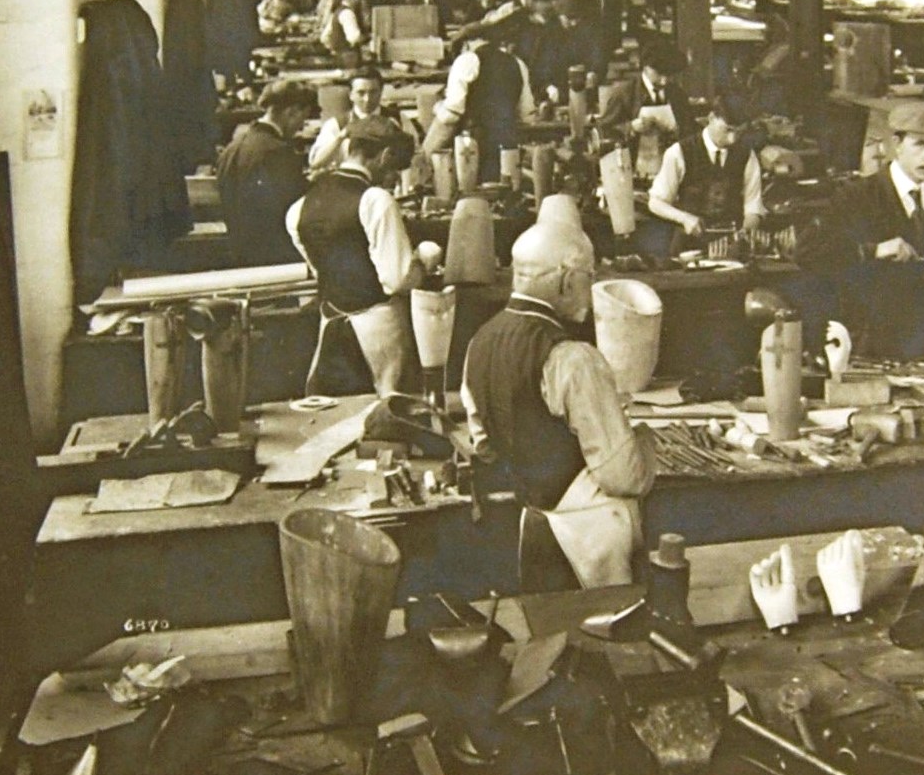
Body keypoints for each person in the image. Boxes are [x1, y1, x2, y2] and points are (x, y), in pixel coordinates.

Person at [460, 214, 655, 592]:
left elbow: (483, 445)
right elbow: (624, 477)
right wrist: (647, 444)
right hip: (592, 533)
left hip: (534, 522)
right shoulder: (572, 357)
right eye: (589, 276)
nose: (591, 286)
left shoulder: (478, 343)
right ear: (567, 280)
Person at [792, 100, 924, 360]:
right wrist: (875, 250)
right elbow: (807, 251)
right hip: (871, 345)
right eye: (920, 145)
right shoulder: (857, 196)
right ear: (896, 144)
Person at [286, 115, 423, 396]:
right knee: (390, 407)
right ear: (385, 156)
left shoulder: (299, 207)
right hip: (379, 329)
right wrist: (424, 261)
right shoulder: (375, 200)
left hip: (331, 322)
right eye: (395, 169)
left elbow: (318, 266)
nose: (394, 179)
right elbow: (397, 280)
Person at [647, 91, 764, 253]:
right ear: (711, 118)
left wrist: (746, 231)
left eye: (739, 131)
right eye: (728, 130)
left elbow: (753, 206)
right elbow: (655, 203)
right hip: (688, 249)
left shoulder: (746, 155)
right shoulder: (679, 152)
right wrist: (684, 218)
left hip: (731, 248)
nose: (733, 139)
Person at [216, 79, 313, 267]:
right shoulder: (278, 151)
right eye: (302, 119)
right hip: (275, 259)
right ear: (291, 112)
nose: (300, 127)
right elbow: (291, 208)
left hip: (238, 253)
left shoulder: (232, 148)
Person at [420, 23, 534, 181]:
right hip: (508, 147)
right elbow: (527, 114)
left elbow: (451, 114)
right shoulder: (517, 63)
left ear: (466, 44)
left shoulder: (466, 60)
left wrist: (425, 152)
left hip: (472, 149)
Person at [597, 35, 694, 143]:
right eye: (659, 74)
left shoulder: (677, 94)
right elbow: (603, 129)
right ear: (646, 67)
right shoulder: (624, 94)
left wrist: (680, 130)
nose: (664, 80)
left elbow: (690, 128)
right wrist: (630, 127)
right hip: (634, 156)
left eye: (669, 75)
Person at [309, 66, 384, 172]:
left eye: (373, 92)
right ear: (351, 95)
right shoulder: (336, 124)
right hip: (348, 183)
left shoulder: (398, 119)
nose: (367, 99)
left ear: (381, 92)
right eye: (361, 93)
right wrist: (340, 137)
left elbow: (414, 159)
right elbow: (315, 163)